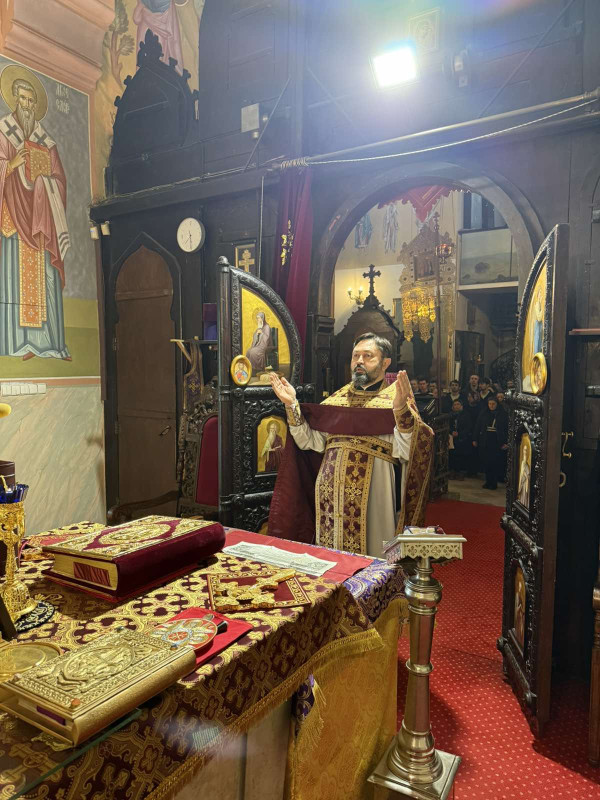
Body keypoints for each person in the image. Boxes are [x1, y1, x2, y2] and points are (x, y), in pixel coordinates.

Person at [268, 333, 434, 557]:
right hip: (331, 500)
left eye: (368, 356)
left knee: (373, 562)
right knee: (332, 559)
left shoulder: (396, 400)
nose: (359, 361)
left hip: (375, 498)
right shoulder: (336, 401)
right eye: (356, 356)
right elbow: (309, 442)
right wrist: (291, 404)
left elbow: (409, 451)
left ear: (385, 363)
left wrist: (400, 411)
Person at [0, 68, 71, 361]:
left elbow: (60, 179)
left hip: (41, 222)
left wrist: (46, 183)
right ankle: (17, 342)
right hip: (15, 220)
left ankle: (48, 344)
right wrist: (11, 164)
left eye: (31, 101)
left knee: (45, 281)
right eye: (23, 99)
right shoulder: (3, 131)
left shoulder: (46, 141)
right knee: (14, 282)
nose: (27, 105)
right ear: (14, 100)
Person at [473, 396, 508, 489]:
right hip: (485, 439)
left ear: (497, 404)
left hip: (496, 440)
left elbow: (506, 429)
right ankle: (488, 481)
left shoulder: (502, 414)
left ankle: (494, 482)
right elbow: (478, 426)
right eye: (490, 404)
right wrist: (475, 439)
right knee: (486, 461)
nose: (491, 406)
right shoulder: (484, 413)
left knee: (494, 462)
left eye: (493, 404)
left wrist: (506, 442)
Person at [448, 399, 474, 478]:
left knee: (461, 455)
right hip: (452, 438)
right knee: (452, 455)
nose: (456, 406)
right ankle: (452, 470)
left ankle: (460, 471)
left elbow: (468, 427)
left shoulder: (466, 415)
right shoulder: (450, 415)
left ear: (461, 406)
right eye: (455, 404)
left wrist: (459, 434)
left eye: (458, 404)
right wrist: (451, 431)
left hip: (463, 438)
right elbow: (448, 425)